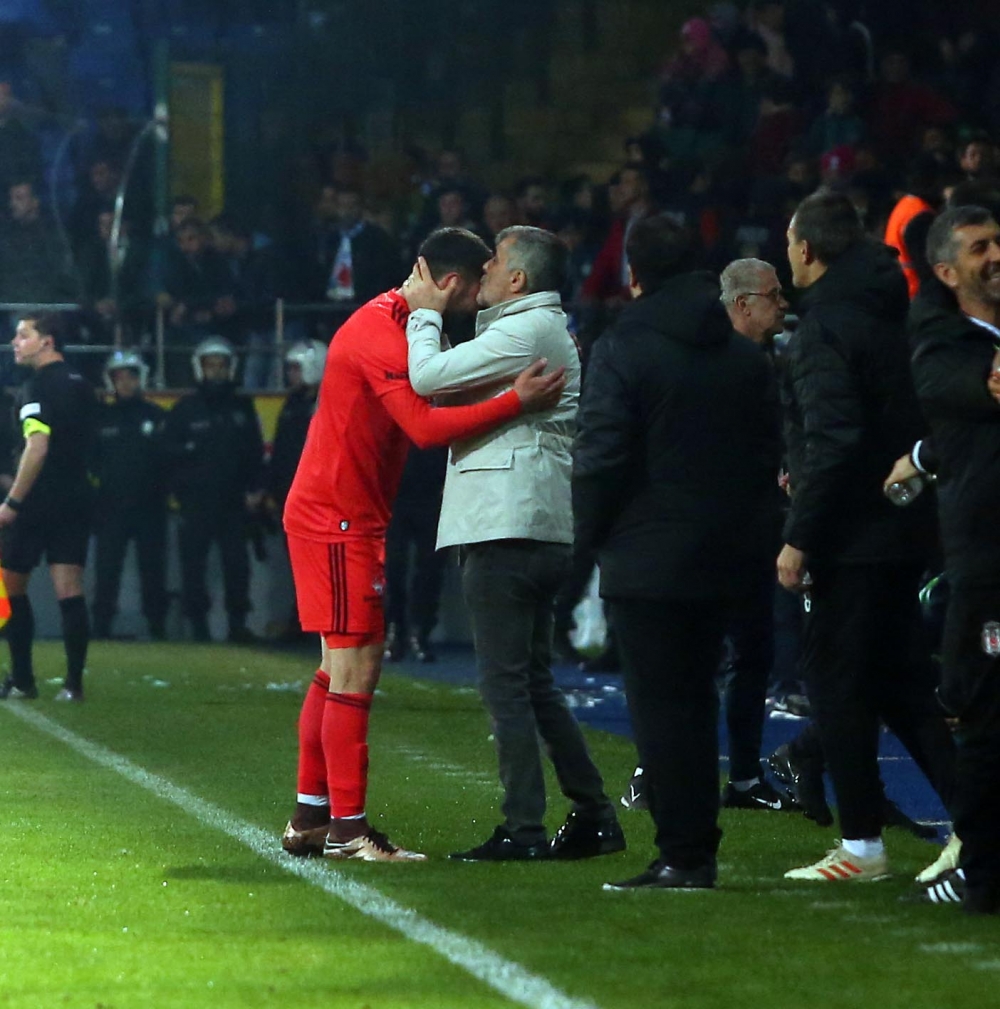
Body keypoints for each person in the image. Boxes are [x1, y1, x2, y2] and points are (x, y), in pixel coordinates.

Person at [279, 227, 566, 863]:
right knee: (356, 667)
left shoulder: (391, 322)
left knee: (335, 668)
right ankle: (350, 833)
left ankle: (309, 820)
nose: (479, 298)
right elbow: (423, 425)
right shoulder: (384, 330)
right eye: (476, 284)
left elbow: (430, 393)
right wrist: (515, 401)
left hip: (341, 512)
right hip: (338, 517)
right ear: (453, 283)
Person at [573, 215, 781, 890]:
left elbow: (601, 458)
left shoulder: (624, 347)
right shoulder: (745, 355)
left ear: (634, 274)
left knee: (664, 711)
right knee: (698, 696)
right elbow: (764, 457)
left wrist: (589, 544)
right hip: (729, 554)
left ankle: (686, 852)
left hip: (648, 557)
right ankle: (694, 848)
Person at [405, 226, 624, 861]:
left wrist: (425, 315)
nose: (485, 269)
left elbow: (427, 377)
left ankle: (524, 827)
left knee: (505, 685)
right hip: (535, 523)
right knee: (532, 683)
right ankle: (595, 816)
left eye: (495, 261)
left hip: (507, 526)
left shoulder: (522, 332)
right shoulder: (530, 330)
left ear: (520, 279)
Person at [777, 190, 956, 882]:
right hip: (902, 524)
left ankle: (861, 844)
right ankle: (976, 823)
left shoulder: (825, 326)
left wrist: (801, 535)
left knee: (836, 681)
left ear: (807, 250)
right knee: (902, 684)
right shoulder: (893, 309)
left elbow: (834, 440)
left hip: (852, 535)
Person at [907, 204, 1000, 913]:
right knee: (982, 705)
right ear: (946, 271)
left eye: (999, 240)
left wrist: (915, 458)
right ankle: (983, 866)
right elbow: (979, 394)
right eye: (979, 247)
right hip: (988, 552)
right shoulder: (941, 342)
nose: (996, 253)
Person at [0, 313, 96, 702]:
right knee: (69, 589)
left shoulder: (35, 387)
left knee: (8, 586)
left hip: (37, 501)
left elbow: (36, 447)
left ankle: (23, 679)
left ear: (48, 341)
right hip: (76, 497)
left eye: (24, 335)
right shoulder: (82, 385)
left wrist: (12, 501)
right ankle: (73, 685)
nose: (15, 343)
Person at [163, 337, 266, 643]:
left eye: (222, 365)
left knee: (237, 565)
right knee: (193, 566)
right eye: (211, 365)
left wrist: (256, 489)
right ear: (200, 368)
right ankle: (199, 628)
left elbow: (255, 452)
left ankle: (237, 623)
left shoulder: (242, 407)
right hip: (196, 502)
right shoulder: (184, 409)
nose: (217, 371)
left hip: (234, 501)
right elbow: (168, 454)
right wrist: (179, 491)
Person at [90, 350, 169, 641]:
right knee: (106, 569)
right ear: (110, 381)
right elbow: (91, 462)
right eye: (118, 377)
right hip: (110, 508)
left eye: (130, 376)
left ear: (141, 378)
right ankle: (100, 626)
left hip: (151, 508)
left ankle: (157, 627)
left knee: (153, 570)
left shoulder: (156, 415)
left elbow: (169, 462)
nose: (124, 382)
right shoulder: (100, 418)